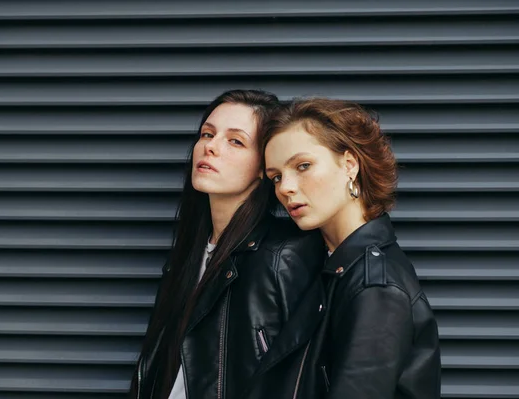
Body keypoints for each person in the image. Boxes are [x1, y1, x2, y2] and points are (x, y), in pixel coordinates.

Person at [130, 90, 325, 399]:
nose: (211, 147)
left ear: (264, 166)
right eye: (207, 134)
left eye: (235, 141)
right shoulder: (188, 256)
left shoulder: (283, 256)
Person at [253, 98, 441, 398]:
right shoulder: (334, 266)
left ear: (349, 165)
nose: (285, 187)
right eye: (276, 176)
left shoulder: (373, 284)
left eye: (303, 166)